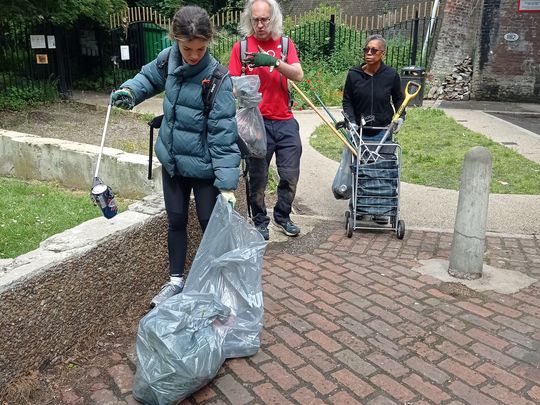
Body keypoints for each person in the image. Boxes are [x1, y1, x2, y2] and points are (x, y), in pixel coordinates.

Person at [111, 5, 241, 307]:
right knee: (177, 219)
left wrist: (227, 183)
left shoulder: (218, 79)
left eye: (200, 48)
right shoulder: (168, 59)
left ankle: (215, 282)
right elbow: (146, 79)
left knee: (210, 222)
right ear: (175, 40)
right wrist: (130, 91)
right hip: (172, 159)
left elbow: (223, 135)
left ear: (208, 42)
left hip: (205, 166)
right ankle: (175, 282)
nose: (193, 55)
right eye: (187, 47)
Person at [228, 0, 304, 241]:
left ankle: (283, 216)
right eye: (256, 19)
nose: (260, 24)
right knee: (258, 178)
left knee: (290, 174)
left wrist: (274, 62)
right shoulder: (241, 48)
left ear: (273, 19)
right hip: (255, 122)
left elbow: (298, 75)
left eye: (265, 19)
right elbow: (230, 84)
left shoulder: (284, 44)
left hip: (284, 120)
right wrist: (242, 89)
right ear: (249, 20)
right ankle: (260, 220)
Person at [342, 34, 405, 225]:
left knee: (382, 170)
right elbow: (347, 101)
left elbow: (399, 100)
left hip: (383, 130)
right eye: (366, 49)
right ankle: (361, 207)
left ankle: (380, 209)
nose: (368, 53)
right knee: (361, 170)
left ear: (382, 53)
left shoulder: (390, 75)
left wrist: (400, 118)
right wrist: (351, 121)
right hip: (360, 131)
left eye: (373, 50)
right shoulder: (354, 74)